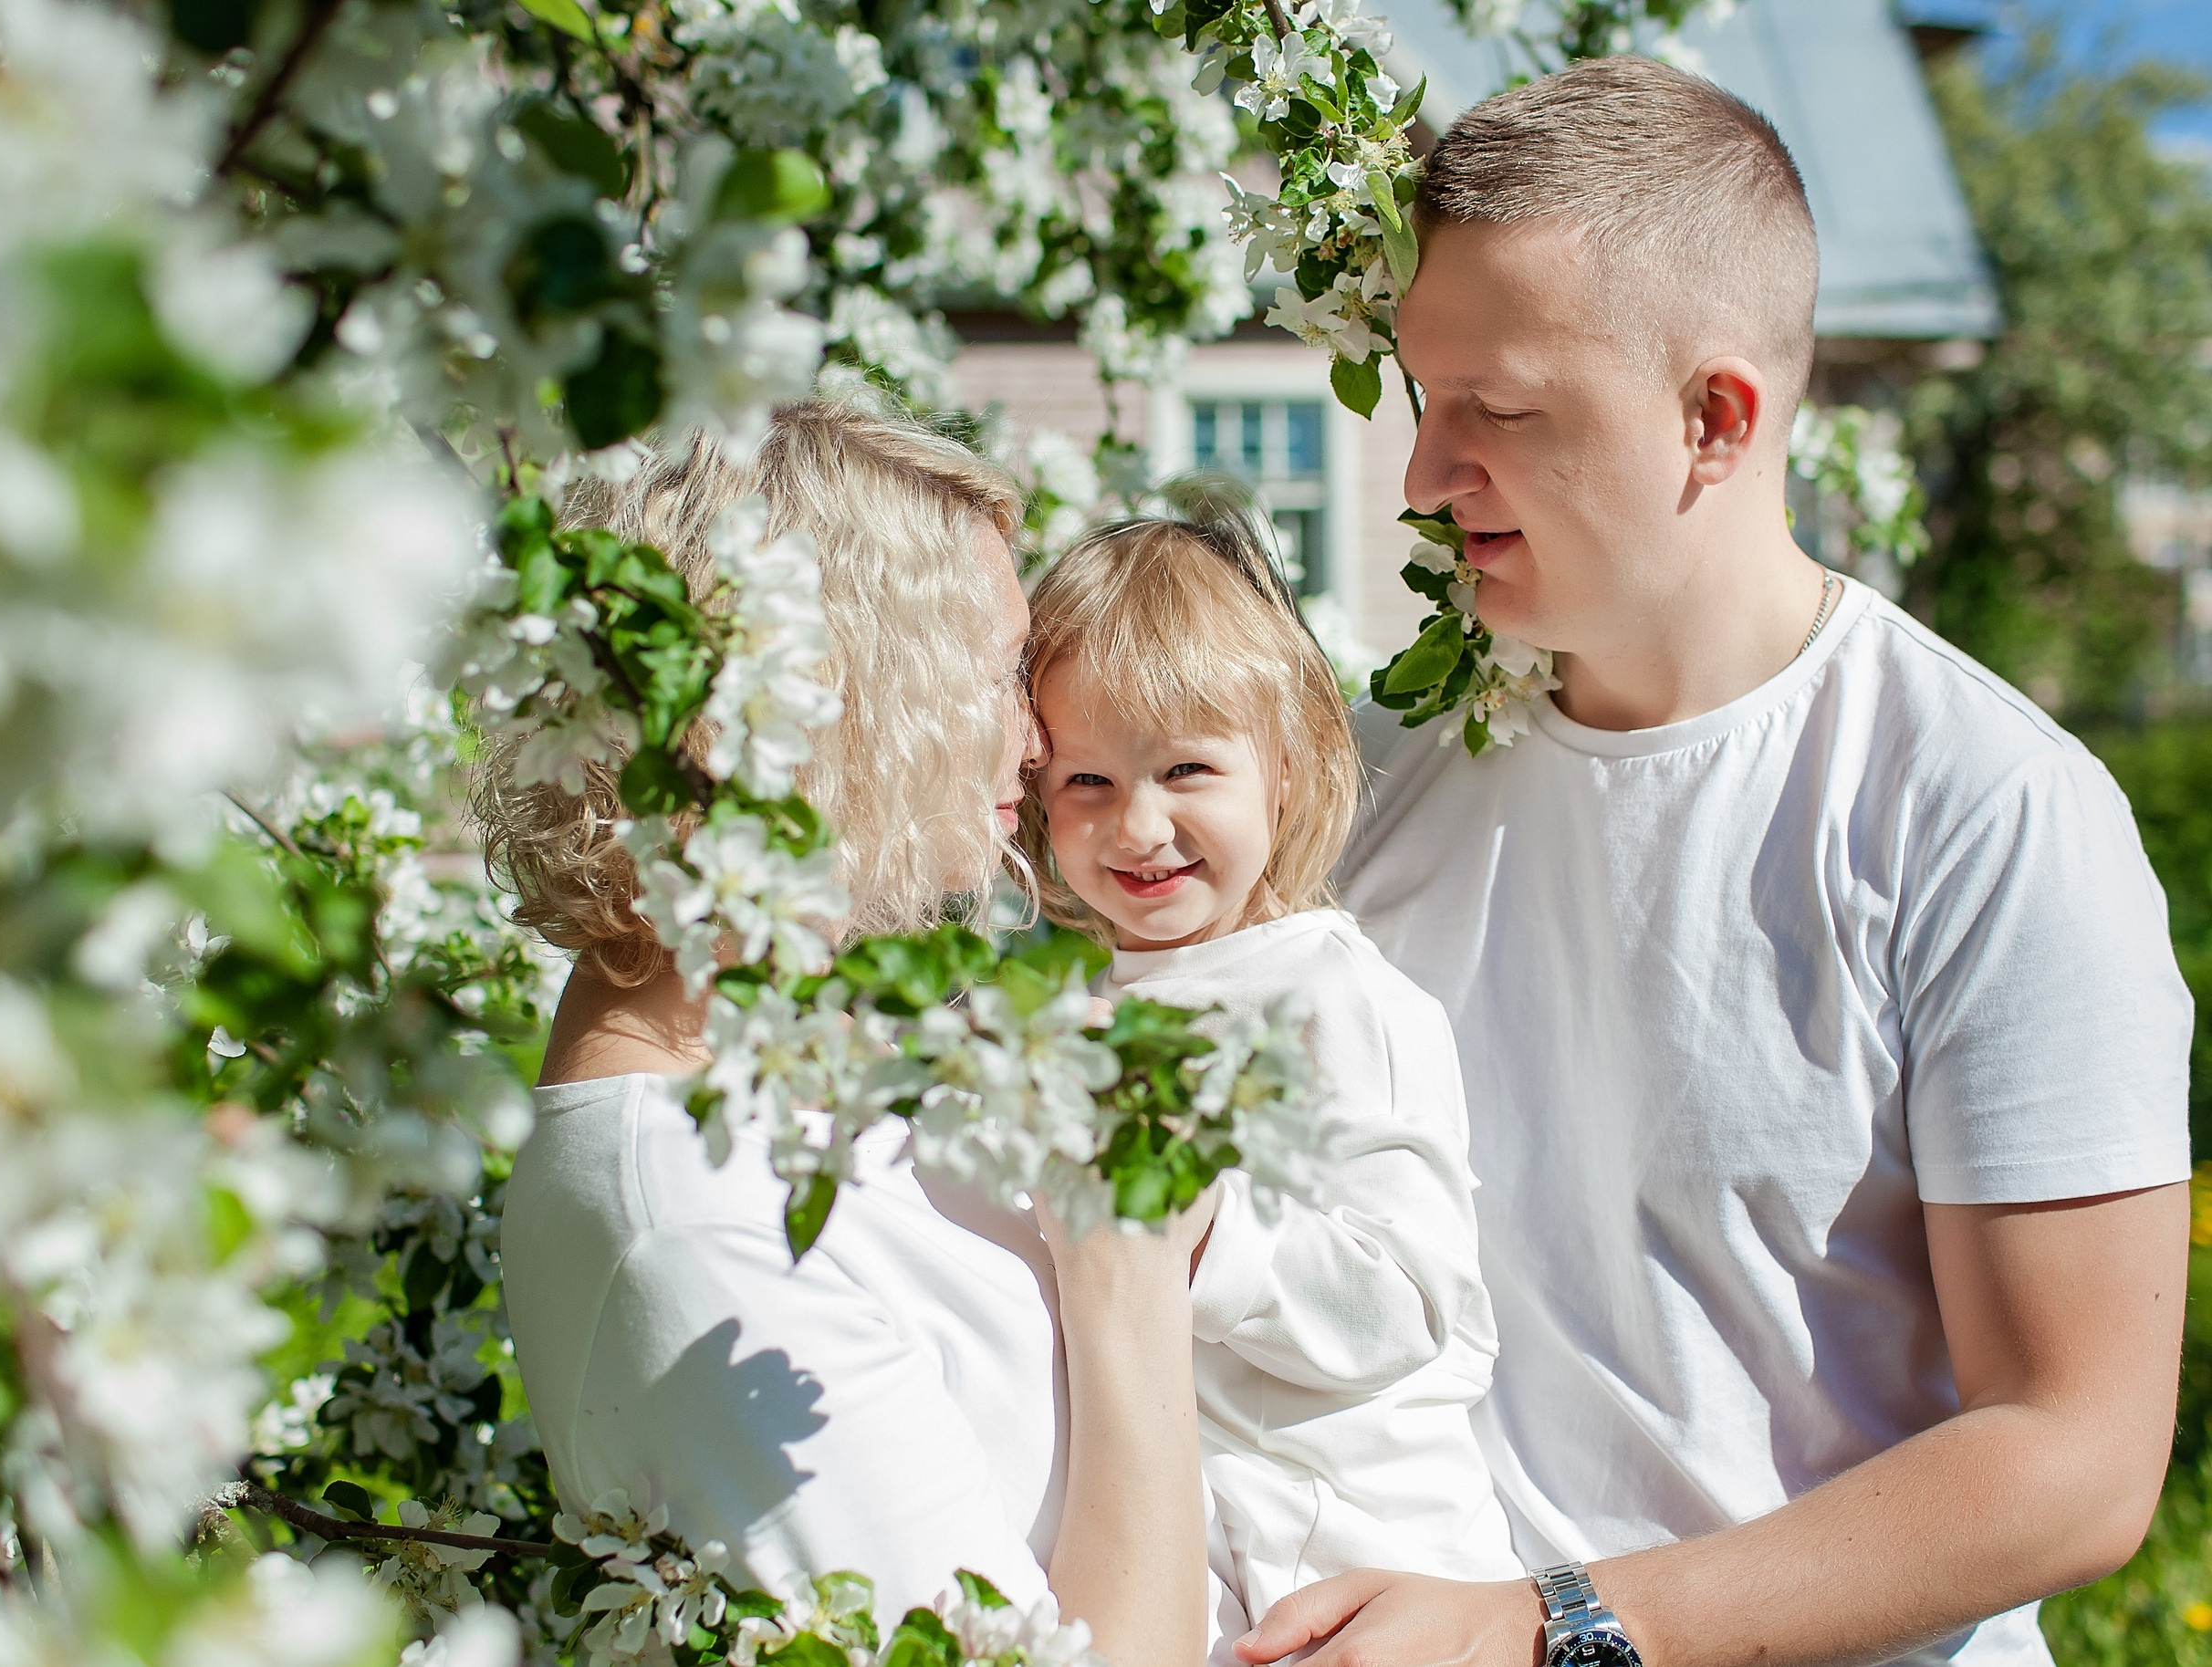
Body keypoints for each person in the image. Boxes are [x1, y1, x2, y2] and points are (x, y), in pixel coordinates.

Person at [1236, 56, 2194, 1667]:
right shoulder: (1362, 778)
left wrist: (1562, 1634)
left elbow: (2077, 1457)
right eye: (1424, 397)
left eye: (1502, 411)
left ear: (1716, 416)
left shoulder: (1984, 813)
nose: (1420, 473)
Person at [484, 402, 1208, 1664]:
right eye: (992, 676)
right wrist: (1130, 1285)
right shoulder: (694, 1227)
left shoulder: (785, 1090)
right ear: (817, 698)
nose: (1036, 746)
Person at [1017, 516, 1523, 1657]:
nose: (1138, 825)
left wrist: (1201, 1235)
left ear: (1286, 770)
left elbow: (1404, 1298)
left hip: (1371, 1568)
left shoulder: (1338, 999)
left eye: (1187, 768)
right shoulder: (1083, 1008)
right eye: (1086, 779)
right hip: (1209, 1572)